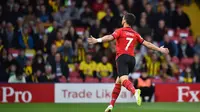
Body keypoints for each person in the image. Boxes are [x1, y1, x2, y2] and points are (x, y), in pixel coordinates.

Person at [88, 12, 169, 112]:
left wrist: (97, 40)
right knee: (118, 81)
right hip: (132, 60)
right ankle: (111, 105)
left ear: (124, 21)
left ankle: (135, 92)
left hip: (122, 58)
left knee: (124, 80)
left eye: (122, 18)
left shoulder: (120, 31)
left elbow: (109, 37)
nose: (122, 19)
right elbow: (147, 44)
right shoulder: (135, 34)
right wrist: (159, 49)